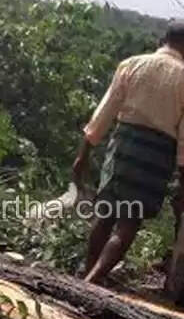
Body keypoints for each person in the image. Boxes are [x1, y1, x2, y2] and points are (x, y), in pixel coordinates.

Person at [72, 20, 184, 284]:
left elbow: (104, 113)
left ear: (162, 40)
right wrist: (182, 179)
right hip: (157, 154)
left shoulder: (132, 64)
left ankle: (85, 277)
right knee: (129, 223)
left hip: (123, 144)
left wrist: (83, 155)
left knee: (106, 214)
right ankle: (94, 280)